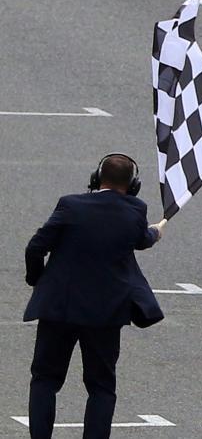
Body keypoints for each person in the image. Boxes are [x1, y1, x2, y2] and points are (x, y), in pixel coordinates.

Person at [23, 153, 165, 439]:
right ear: (133, 184)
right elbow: (141, 240)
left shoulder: (70, 205)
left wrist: (37, 279)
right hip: (105, 313)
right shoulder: (135, 210)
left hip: (59, 307)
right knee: (101, 387)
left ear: (96, 178)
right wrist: (156, 232)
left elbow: (35, 247)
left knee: (45, 380)